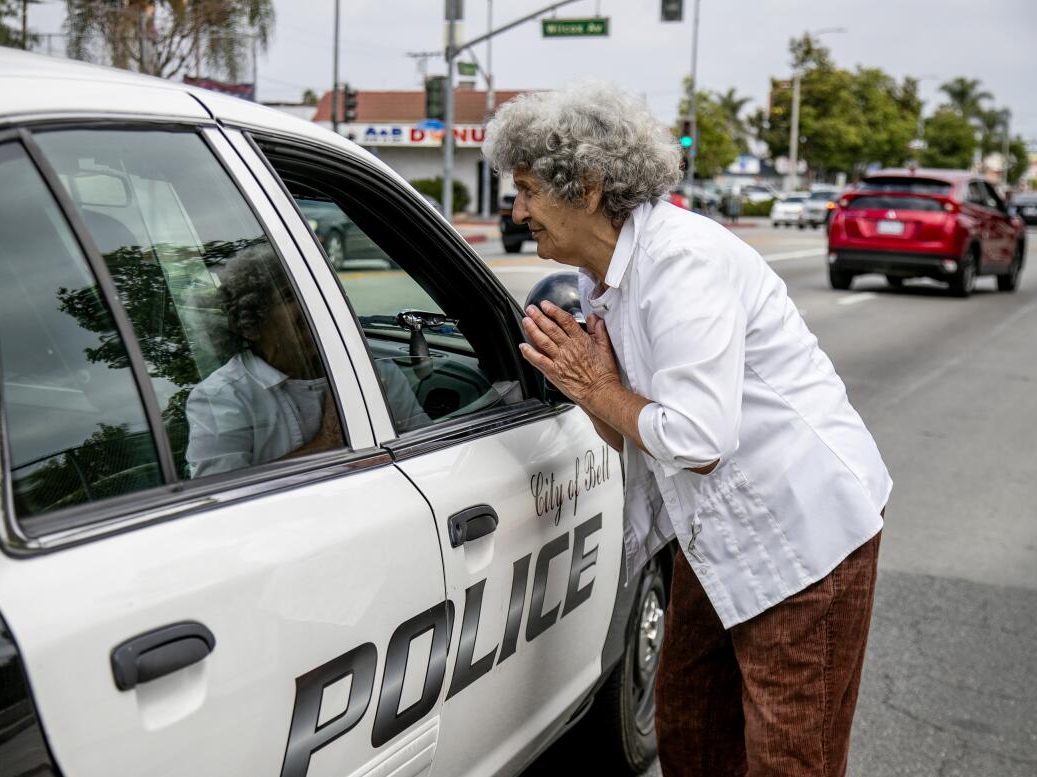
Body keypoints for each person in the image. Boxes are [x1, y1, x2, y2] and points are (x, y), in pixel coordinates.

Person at [484, 82, 890, 777]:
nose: (516, 211)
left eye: (525, 189)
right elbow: (634, 429)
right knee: (691, 731)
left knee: (792, 756)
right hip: (714, 529)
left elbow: (696, 441)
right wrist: (586, 389)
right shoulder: (602, 276)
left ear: (585, 187)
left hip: (802, 532)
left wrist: (594, 384)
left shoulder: (681, 263)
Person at [186, 244, 429, 478]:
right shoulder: (220, 398)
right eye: (290, 296)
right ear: (249, 324)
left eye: (314, 293)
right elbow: (223, 499)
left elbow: (427, 450)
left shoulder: (372, 371)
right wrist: (327, 442)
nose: (311, 306)